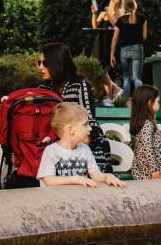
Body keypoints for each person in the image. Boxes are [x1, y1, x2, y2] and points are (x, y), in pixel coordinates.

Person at [37, 43, 113, 174]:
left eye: (45, 63)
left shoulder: (79, 85)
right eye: (39, 62)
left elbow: (89, 122)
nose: (40, 67)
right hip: (53, 146)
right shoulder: (43, 89)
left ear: (57, 62)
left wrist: (71, 152)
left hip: (83, 144)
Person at [36, 103, 128, 189]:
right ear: (70, 130)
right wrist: (78, 180)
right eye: (85, 124)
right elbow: (49, 181)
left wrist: (108, 176)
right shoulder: (51, 151)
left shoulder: (85, 149)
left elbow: (96, 176)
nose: (90, 128)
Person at [128, 85, 161, 181]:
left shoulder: (146, 123)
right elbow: (147, 147)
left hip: (159, 166)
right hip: (149, 170)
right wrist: (153, 169)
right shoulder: (146, 125)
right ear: (149, 103)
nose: (159, 105)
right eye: (157, 102)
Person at [91, 0, 125, 106]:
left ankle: (110, 95)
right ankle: (114, 90)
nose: (115, 4)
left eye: (117, 3)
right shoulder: (103, 13)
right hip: (100, 40)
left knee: (104, 69)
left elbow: (116, 24)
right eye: (113, 2)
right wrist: (94, 13)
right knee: (97, 67)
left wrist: (108, 14)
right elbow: (95, 26)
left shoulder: (119, 13)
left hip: (108, 42)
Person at [111, 0, 147, 100]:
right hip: (137, 49)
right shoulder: (142, 18)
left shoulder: (120, 21)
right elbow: (144, 37)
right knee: (137, 78)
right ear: (134, 5)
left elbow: (114, 38)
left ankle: (125, 102)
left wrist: (112, 54)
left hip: (124, 50)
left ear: (124, 7)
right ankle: (141, 101)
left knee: (126, 77)